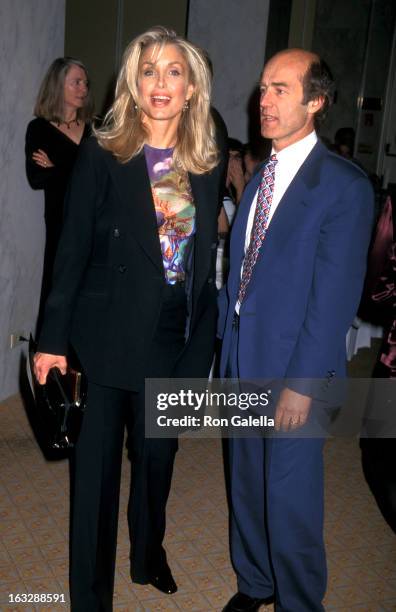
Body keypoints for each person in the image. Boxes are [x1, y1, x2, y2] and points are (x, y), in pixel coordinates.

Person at [34, 26, 225, 611]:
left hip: (171, 335)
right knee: (93, 480)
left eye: (173, 71)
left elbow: (200, 263)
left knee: (157, 458)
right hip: (103, 334)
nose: (160, 82)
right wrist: (52, 339)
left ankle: (149, 553)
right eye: (149, 71)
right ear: (133, 86)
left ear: (191, 87)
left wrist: (204, 340)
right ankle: (89, 598)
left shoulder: (207, 153)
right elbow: (71, 249)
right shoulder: (104, 147)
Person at [218, 49, 374, 611]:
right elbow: (246, 270)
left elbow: (333, 300)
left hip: (293, 371)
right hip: (243, 358)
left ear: (315, 101)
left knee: (290, 501)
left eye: (280, 90)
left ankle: (299, 602)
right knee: (246, 485)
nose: (264, 100)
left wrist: (302, 383)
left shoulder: (343, 186)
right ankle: (255, 583)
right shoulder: (261, 173)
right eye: (263, 88)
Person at [25, 57, 94, 331]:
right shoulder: (39, 128)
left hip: (94, 224)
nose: (83, 89)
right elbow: (37, 176)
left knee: (89, 302)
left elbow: (102, 183)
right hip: (60, 225)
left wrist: (59, 169)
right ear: (58, 86)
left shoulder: (96, 131)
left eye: (85, 83)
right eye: (76, 82)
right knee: (57, 295)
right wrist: (76, 174)